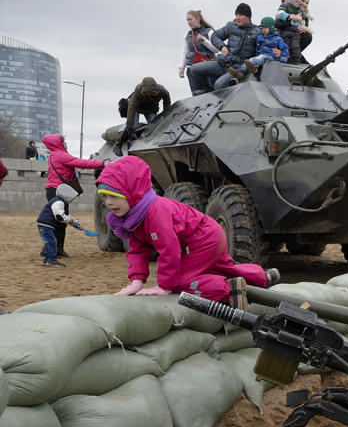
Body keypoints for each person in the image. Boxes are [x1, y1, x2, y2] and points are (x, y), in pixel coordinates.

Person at [96, 156, 278, 305]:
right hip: (208, 234)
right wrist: (137, 281)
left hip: (203, 240)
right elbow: (137, 250)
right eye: (104, 197)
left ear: (133, 192)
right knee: (218, 268)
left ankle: (228, 289)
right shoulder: (133, 218)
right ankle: (262, 277)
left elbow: (169, 250)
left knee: (180, 282)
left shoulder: (155, 212)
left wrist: (165, 286)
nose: (108, 202)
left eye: (114, 196)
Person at [41, 134, 106, 258]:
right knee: (59, 221)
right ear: (57, 143)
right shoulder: (61, 154)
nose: (65, 143)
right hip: (57, 190)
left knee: (58, 221)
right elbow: (80, 162)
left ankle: (55, 248)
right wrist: (101, 163)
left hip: (53, 190)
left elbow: (67, 167)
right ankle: (52, 249)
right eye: (63, 141)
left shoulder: (53, 155)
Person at [187, 3, 258, 95]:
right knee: (194, 69)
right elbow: (214, 35)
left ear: (248, 17)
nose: (237, 17)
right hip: (224, 63)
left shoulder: (257, 32)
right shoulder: (232, 26)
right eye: (236, 15)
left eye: (240, 15)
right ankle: (209, 90)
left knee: (219, 85)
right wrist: (222, 46)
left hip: (238, 68)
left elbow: (263, 49)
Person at [116, 77, 171, 154]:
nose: (148, 94)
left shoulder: (162, 90)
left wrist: (166, 114)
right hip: (137, 108)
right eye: (146, 93)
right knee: (133, 126)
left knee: (154, 126)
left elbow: (167, 101)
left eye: (150, 93)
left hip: (151, 109)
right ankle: (118, 144)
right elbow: (131, 107)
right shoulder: (138, 90)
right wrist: (129, 125)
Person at [37, 184, 85, 268]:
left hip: (45, 224)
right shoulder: (58, 202)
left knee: (50, 242)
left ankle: (47, 260)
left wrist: (75, 223)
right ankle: (51, 260)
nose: (72, 200)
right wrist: (71, 221)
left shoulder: (60, 201)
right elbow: (60, 216)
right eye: (71, 197)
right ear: (66, 195)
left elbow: (65, 216)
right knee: (52, 242)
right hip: (46, 225)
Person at [276, 0, 312, 64]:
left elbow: (303, 27)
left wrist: (306, 29)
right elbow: (278, 23)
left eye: (307, 3)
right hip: (284, 35)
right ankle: (288, 56)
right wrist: (293, 19)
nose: (305, 4)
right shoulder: (287, 7)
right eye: (303, 1)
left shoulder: (304, 16)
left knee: (307, 36)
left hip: (295, 37)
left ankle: (295, 58)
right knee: (288, 42)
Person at [179, 10, 217, 80]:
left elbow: (216, 49)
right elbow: (184, 52)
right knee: (196, 91)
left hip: (207, 66)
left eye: (190, 19)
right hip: (191, 67)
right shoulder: (187, 34)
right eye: (187, 20)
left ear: (198, 19)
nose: (188, 22)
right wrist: (182, 68)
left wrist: (204, 41)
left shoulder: (209, 31)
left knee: (210, 89)